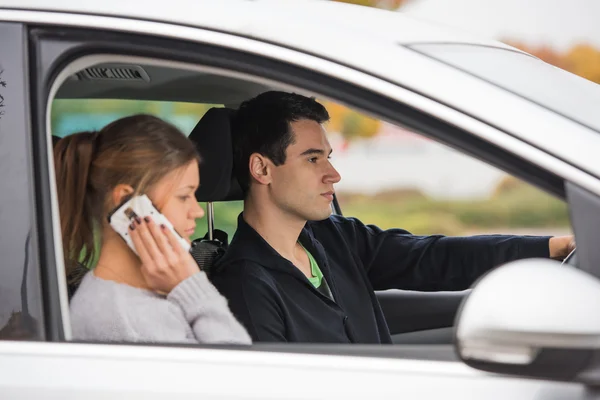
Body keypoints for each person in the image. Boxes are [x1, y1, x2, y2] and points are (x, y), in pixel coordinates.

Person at [211, 91, 575, 344]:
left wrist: (549, 248)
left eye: (328, 156)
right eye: (312, 159)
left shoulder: (334, 238)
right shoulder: (246, 285)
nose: (333, 174)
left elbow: (432, 257)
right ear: (261, 168)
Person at [55, 114, 251, 345]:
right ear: (128, 203)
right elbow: (240, 376)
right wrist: (192, 287)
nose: (197, 211)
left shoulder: (136, 299)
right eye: (183, 196)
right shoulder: (125, 322)